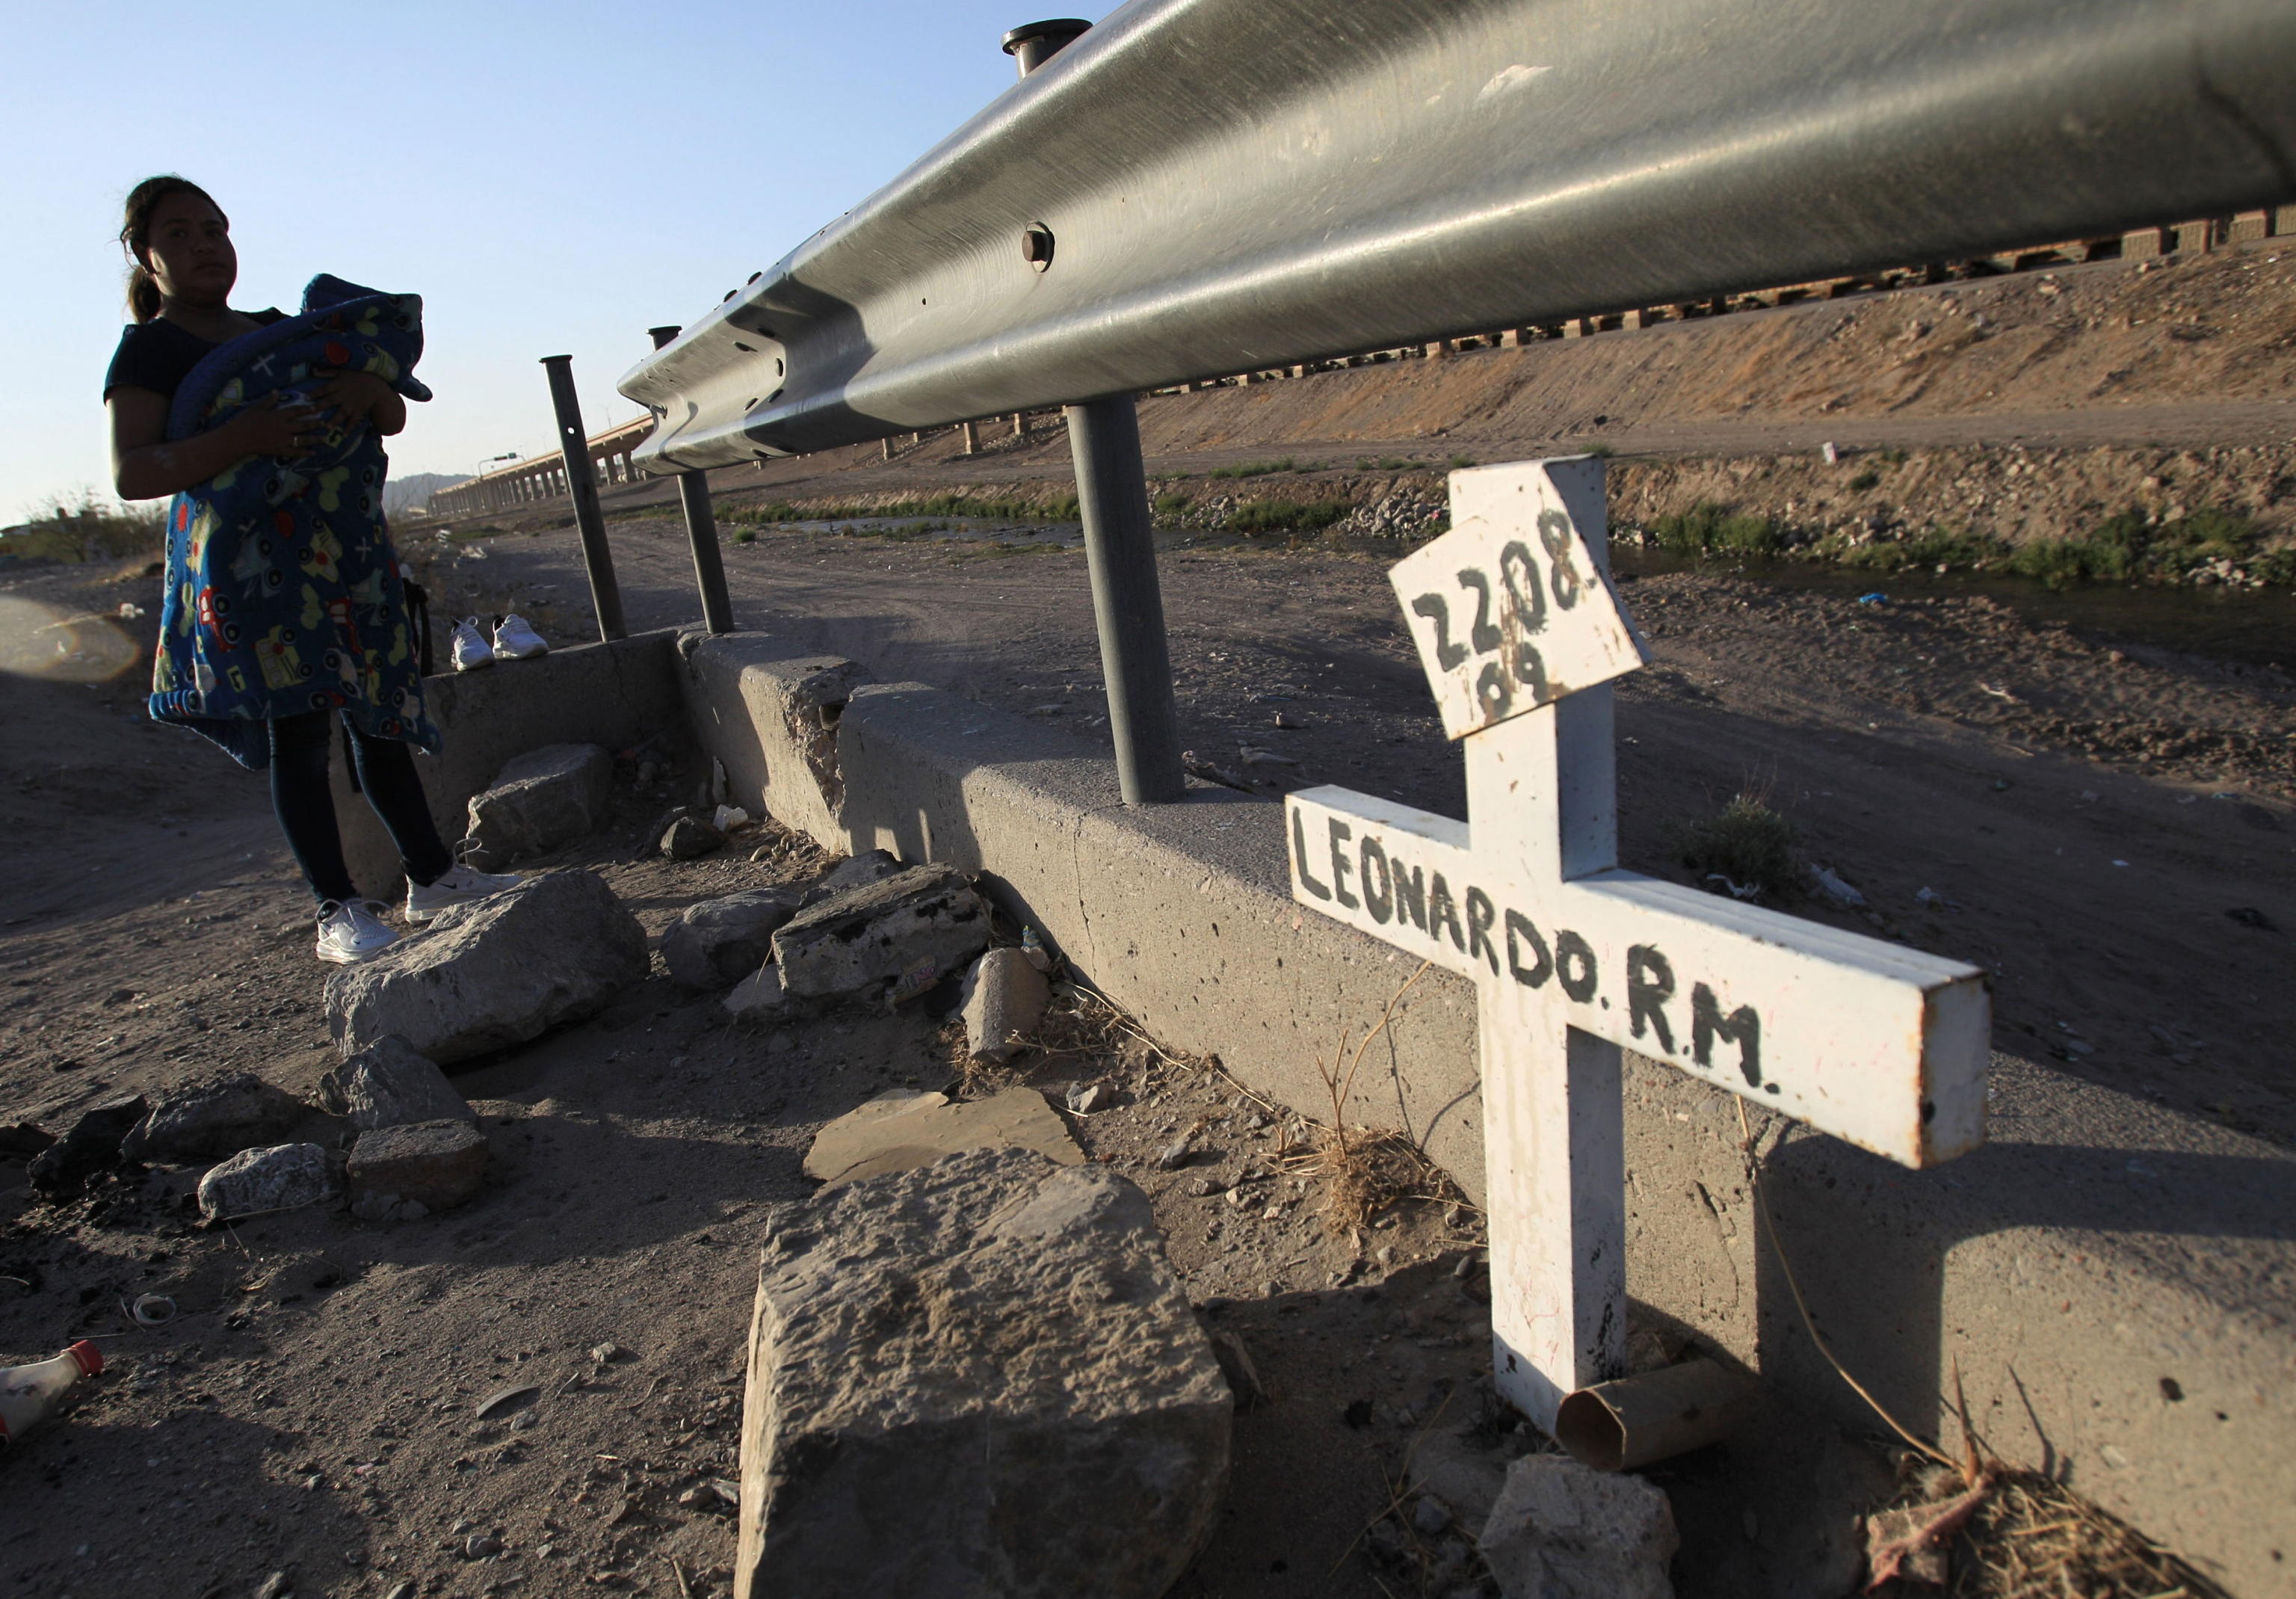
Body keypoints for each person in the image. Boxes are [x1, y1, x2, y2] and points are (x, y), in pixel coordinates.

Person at [104, 174, 517, 965]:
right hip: (254, 574)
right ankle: (338, 909)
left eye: (214, 229)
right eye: (180, 234)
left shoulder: (279, 331)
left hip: (344, 561)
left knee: (378, 719)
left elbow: (390, 414)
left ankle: (431, 878)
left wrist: (370, 387)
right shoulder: (151, 349)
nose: (203, 247)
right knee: (297, 735)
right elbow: (135, 471)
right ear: (145, 253)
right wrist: (249, 433)